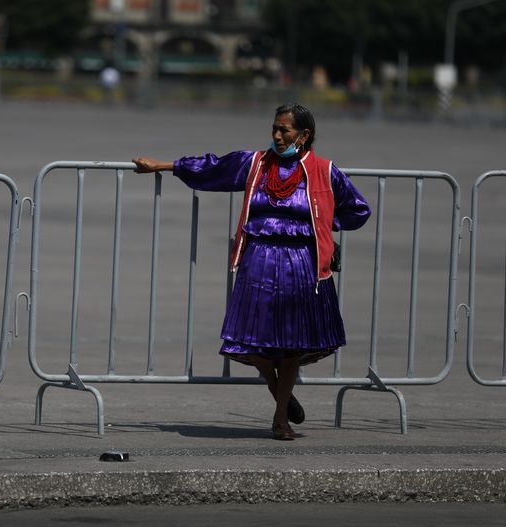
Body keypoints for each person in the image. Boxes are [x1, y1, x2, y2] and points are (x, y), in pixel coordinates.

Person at [132, 103, 371, 440]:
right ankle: (278, 390)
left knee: (292, 346)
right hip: (259, 262)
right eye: (274, 128)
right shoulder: (255, 163)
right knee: (253, 343)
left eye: (285, 130)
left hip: (302, 267)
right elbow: (212, 168)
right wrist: (163, 165)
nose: (277, 135)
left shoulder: (324, 171)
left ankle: (280, 418)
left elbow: (358, 210)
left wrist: (322, 225)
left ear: (304, 135)